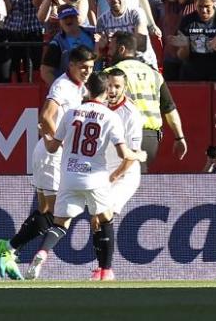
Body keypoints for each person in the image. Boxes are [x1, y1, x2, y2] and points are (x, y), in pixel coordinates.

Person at [24, 71, 146, 281]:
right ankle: (105, 270)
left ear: (86, 89)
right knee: (105, 219)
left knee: (60, 224)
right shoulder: (111, 116)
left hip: (70, 174)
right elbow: (123, 153)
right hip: (96, 176)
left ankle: (42, 253)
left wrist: (45, 134)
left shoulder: (71, 112)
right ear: (105, 91)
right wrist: (139, 155)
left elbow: (53, 147)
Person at [0, 45, 96, 281]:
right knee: (55, 215)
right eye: (83, 67)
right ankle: (8, 247)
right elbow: (46, 116)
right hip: (53, 154)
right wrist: (60, 144)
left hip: (47, 151)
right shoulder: (62, 86)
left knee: (46, 211)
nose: (87, 72)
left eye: (90, 68)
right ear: (70, 65)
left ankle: (9, 248)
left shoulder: (79, 87)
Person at [88, 67, 143, 280]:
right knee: (95, 219)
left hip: (125, 174)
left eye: (117, 86)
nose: (112, 90)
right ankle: (101, 267)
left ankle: (107, 270)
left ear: (125, 88)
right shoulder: (97, 107)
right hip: (102, 171)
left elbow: (132, 154)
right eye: (109, 85)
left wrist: (114, 176)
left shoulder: (131, 113)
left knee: (104, 214)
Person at [106, 31, 186, 172]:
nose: (108, 52)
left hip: (124, 136)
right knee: (138, 177)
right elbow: (170, 109)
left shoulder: (111, 74)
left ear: (121, 49)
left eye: (111, 48)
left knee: (118, 180)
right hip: (151, 139)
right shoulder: (153, 73)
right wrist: (179, 137)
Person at [95, 0, 157, 69]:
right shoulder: (102, 21)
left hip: (143, 63)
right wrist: (102, 47)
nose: (115, 0)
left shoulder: (136, 13)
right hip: (117, 67)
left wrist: (117, 41)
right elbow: (97, 55)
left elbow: (141, 45)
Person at [2, 0, 44, 82]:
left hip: (33, 32)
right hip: (12, 33)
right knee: (14, 71)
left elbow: (38, 4)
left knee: (32, 70)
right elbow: (6, 10)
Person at [40, 4, 95, 85]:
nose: (69, 20)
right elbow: (45, 71)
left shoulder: (92, 33)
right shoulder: (56, 43)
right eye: (65, 17)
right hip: (71, 87)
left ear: (77, 18)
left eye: (71, 16)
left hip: (93, 85)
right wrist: (60, 89)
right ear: (60, 21)